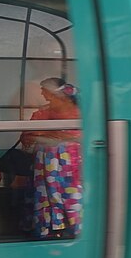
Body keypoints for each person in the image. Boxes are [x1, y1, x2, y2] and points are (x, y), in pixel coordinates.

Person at [20, 77, 83, 238]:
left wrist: (45, 133)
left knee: (68, 195)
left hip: (69, 164)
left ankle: (69, 227)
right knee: (47, 194)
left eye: (44, 90)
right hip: (46, 163)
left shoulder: (78, 111)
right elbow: (27, 138)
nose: (41, 93)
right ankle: (49, 228)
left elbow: (79, 136)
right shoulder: (41, 113)